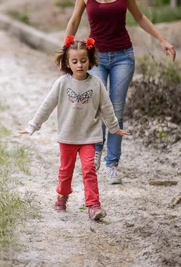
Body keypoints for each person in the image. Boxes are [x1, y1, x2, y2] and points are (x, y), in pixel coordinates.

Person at [65, 0, 176, 184]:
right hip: (95, 57)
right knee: (95, 107)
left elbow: (140, 17)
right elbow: (74, 20)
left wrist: (162, 40)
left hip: (123, 56)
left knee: (115, 111)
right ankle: (94, 152)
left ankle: (112, 163)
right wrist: (67, 48)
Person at [19, 37, 130, 221]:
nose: (79, 65)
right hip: (68, 137)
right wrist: (33, 126)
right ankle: (62, 196)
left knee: (89, 169)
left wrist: (114, 128)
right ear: (68, 63)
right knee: (65, 171)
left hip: (89, 136)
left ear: (91, 60)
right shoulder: (62, 83)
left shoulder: (96, 84)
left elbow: (107, 108)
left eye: (83, 60)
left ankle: (93, 205)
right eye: (75, 61)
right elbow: (47, 106)